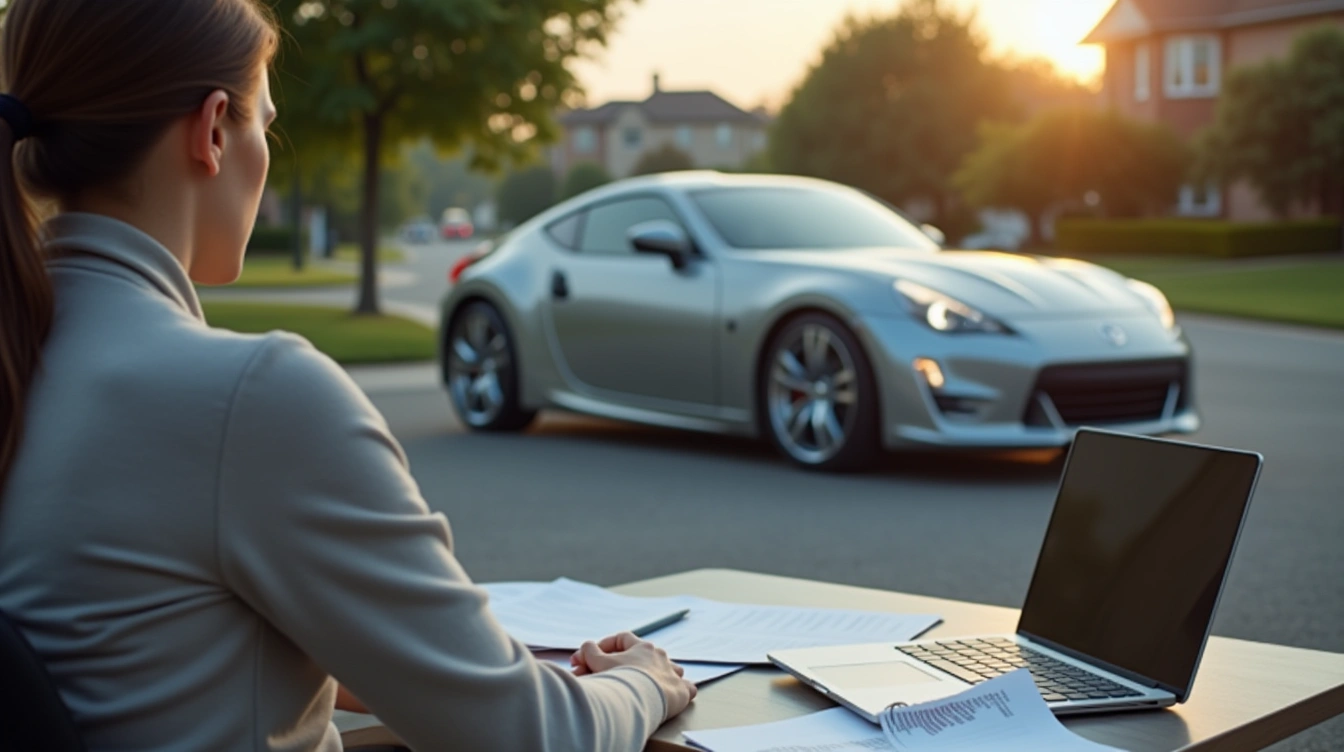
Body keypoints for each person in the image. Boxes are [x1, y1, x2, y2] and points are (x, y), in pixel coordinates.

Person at [0, 1, 694, 750]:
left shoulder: (27, 359)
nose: (266, 151)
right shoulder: (250, 398)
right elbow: (530, 737)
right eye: (264, 123)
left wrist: (360, 660)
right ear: (210, 133)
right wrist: (646, 681)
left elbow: (128, 653)